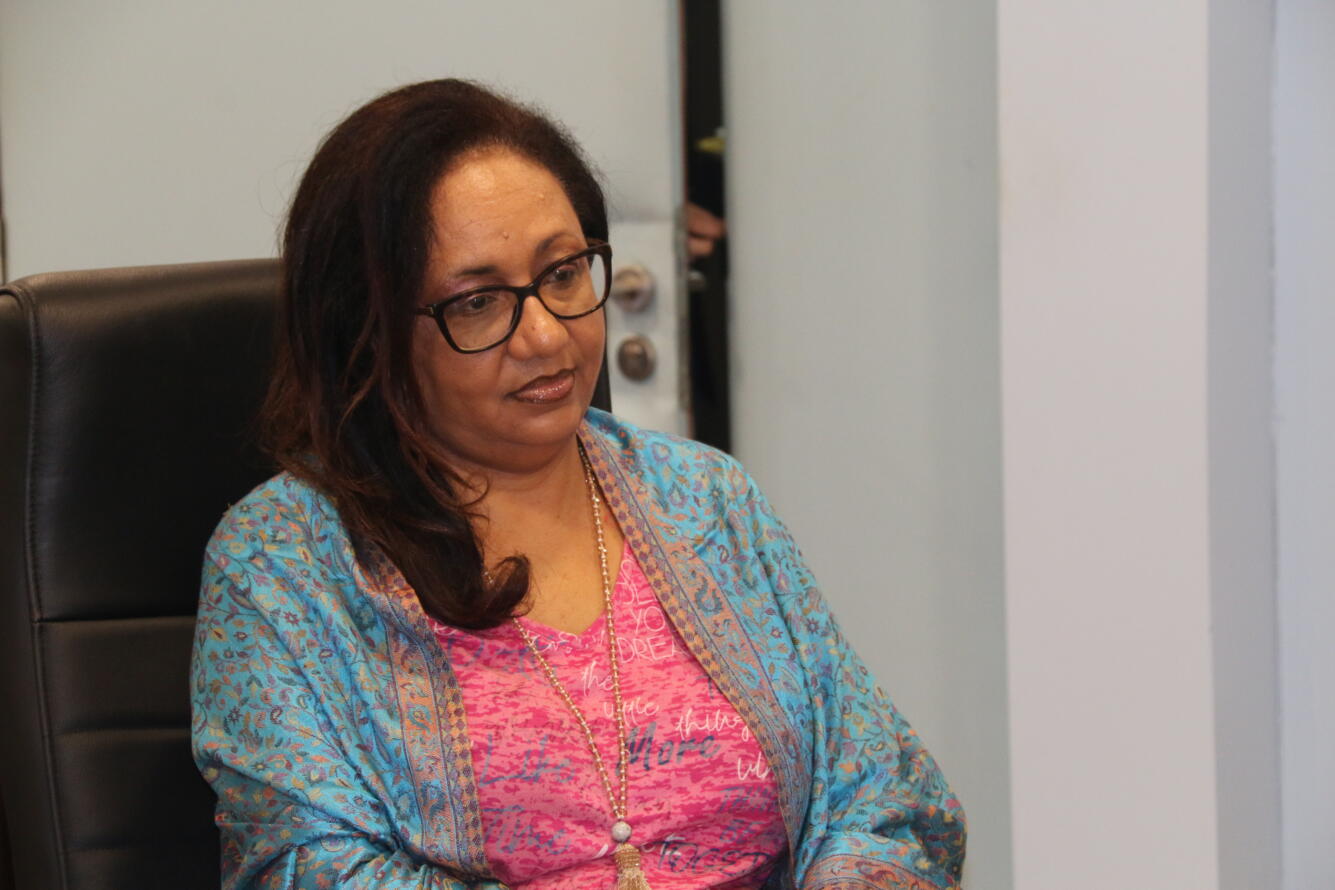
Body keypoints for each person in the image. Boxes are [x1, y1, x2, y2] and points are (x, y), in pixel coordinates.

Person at [190, 79, 965, 890]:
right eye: (478, 301)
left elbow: (879, 791)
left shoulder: (704, 498)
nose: (545, 334)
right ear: (367, 328)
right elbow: (307, 870)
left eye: (563, 273)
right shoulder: (283, 563)